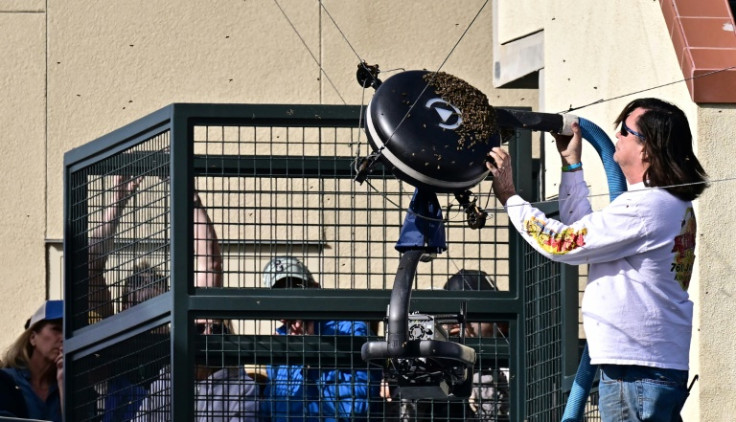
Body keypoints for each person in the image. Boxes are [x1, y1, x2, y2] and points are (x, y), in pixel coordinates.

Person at [485, 98, 708, 421]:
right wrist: (572, 165)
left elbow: (561, 243)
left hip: (634, 372)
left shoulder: (647, 207)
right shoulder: (664, 203)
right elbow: (581, 232)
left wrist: (510, 197)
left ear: (647, 148)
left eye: (625, 132)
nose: (616, 135)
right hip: (646, 368)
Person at [90, 175, 257, 421]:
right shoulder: (116, 339)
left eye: (155, 308)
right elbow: (89, 270)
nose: (147, 317)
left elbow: (210, 263)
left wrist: (189, 195)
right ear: (125, 305)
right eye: (138, 306)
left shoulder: (188, 337)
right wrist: (118, 200)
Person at [259, 256, 380, 421]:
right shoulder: (279, 339)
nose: (289, 299)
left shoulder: (350, 330)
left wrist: (313, 355)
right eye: (279, 294)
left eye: (296, 287)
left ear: (315, 288)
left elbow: (355, 409)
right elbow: (271, 409)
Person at [0, 300, 64, 422]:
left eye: (68, 331)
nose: (63, 338)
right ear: (33, 338)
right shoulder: (5, 380)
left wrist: (64, 384)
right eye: (56, 329)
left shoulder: (74, 385)